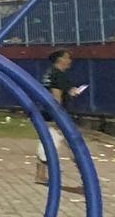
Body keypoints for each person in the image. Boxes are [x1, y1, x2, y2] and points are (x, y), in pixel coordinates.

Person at [35, 49, 84, 185]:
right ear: (60, 60)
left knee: (47, 142)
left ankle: (40, 174)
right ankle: (86, 175)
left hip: (46, 114)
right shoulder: (58, 75)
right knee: (73, 145)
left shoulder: (49, 74)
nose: (70, 60)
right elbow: (56, 96)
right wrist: (58, 116)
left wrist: (71, 91)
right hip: (56, 115)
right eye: (67, 58)